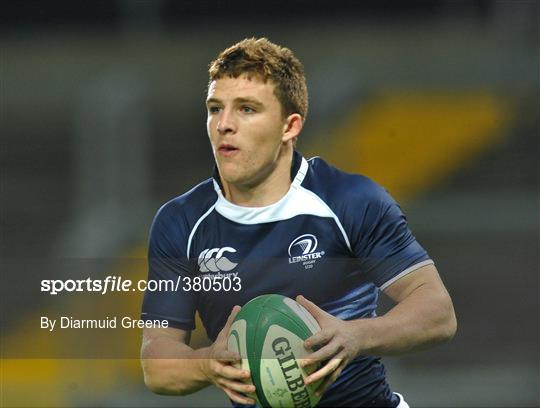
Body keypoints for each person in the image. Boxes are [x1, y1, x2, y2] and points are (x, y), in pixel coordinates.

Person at [140, 37, 457, 407]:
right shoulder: (181, 222)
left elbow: (437, 312)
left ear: (289, 127)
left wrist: (355, 336)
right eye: (215, 108)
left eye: (246, 109)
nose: (224, 124)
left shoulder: (349, 200)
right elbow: (156, 365)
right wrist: (207, 363)